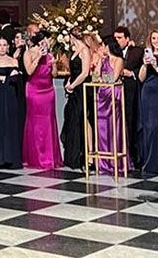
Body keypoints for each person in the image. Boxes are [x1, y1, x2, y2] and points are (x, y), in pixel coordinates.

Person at [22, 35, 62, 169]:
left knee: (48, 122)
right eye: (41, 42)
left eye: (45, 42)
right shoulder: (28, 53)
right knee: (35, 123)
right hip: (34, 90)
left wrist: (54, 64)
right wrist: (38, 57)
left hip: (48, 90)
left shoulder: (50, 55)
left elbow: (54, 74)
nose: (43, 45)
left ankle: (50, 157)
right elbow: (29, 71)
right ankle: (35, 157)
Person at [137, 30, 158, 177]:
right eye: (153, 38)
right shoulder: (146, 54)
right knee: (148, 127)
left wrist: (156, 66)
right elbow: (140, 78)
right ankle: (148, 163)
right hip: (147, 93)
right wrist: (145, 65)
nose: (156, 41)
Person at [0, 37, 22, 168]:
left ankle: (11, 158)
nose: (2, 47)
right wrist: (6, 78)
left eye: (4, 45)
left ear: (8, 47)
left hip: (11, 96)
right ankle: (0, 158)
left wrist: (0, 78)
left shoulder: (13, 61)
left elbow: (15, 79)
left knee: (11, 123)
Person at [95, 37, 126, 175]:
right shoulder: (104, 60)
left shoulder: (119, 59)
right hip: (102, 94)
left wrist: (103, 79)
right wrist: (100, 60)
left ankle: (116, 162)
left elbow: (114, 77)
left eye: (103, 45)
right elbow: (95, 77)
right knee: (102, 127)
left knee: (114, 127)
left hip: (113, 93)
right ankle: (103, 162)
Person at [61, 30, 91, 169]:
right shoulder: (74, 51)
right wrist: (68, 82)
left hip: (81, 88)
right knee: (71, 119)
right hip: (73, 88)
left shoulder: (84, 50)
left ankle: (82, 156)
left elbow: (85, 73)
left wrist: (73, 85)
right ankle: (71, 156)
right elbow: (72, 71)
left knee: (79, 119)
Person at [114, 26, 144, 167]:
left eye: (119, 38)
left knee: (131, 122)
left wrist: (131, 73)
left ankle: (133, 156)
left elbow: (144, 67)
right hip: (115, 93)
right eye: (115, 38)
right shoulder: (112, 52)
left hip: (131, 91)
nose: (117, 41)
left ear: (127, 39)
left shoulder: (137, 51)